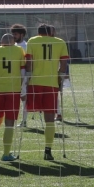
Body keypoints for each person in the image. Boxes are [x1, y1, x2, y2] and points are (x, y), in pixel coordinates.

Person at [25, 24, 69, 160]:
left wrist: (26, 80)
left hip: (35, 83)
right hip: (51, 84)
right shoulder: (60, 42)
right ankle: (47, 150)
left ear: (38, 33)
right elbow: (63, 65)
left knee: (27, 111)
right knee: (49, 119)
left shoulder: (32, 41)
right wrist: (60, 79)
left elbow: (29, 62)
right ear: (50, 32)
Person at [0, 33, 26, 161]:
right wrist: (22, 87)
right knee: (10, 122)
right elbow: (22, 71)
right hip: (13, 90)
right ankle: (6, 153)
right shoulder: (19, 50)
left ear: (1, 41)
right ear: (13, 42)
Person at [10, 24, 29, 127]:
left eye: (16, 34)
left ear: (22, 34)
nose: (14, 36)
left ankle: (24, 120)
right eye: (13, 34)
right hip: (13, 75)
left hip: (24, 75)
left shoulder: (26, 46)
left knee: (24, 97)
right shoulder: (12, 46)